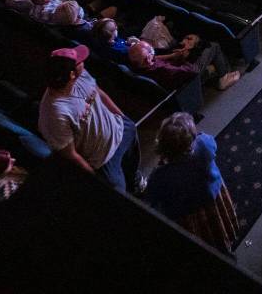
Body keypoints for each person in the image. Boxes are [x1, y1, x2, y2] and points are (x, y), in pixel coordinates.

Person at [38, 45, 142, 193]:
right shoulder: (54, 113)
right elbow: (70, 155)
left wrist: (122, 118)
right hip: (102, 160)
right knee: (120, 195)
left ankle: (134, 181)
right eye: (78, 61)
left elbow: (98, 92)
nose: (82, 61)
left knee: (131, 162)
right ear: (71, 74)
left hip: (120, 129)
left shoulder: (81, 75)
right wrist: (95, 179)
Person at [143, 113, 239, 253]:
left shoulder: (160, 176)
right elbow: (212, 142)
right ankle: (226, 248)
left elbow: (151, 197)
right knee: (217, 230)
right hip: (212, 197)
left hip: (187, 212)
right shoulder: (204, 145)